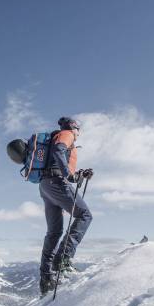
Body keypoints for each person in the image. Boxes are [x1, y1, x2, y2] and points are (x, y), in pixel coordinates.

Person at [39, 117, 93, 295]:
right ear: (74, 127)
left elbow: (58, 158)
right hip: (57, 183)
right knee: (84, 215)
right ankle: (63, 259)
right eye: (79, 130)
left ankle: (46, 278)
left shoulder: (56, 136)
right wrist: (68, 176)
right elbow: (58, 151)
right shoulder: (67, 134)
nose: (78, 134)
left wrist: (77, 174)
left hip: (46, 185)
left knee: (54, 232)